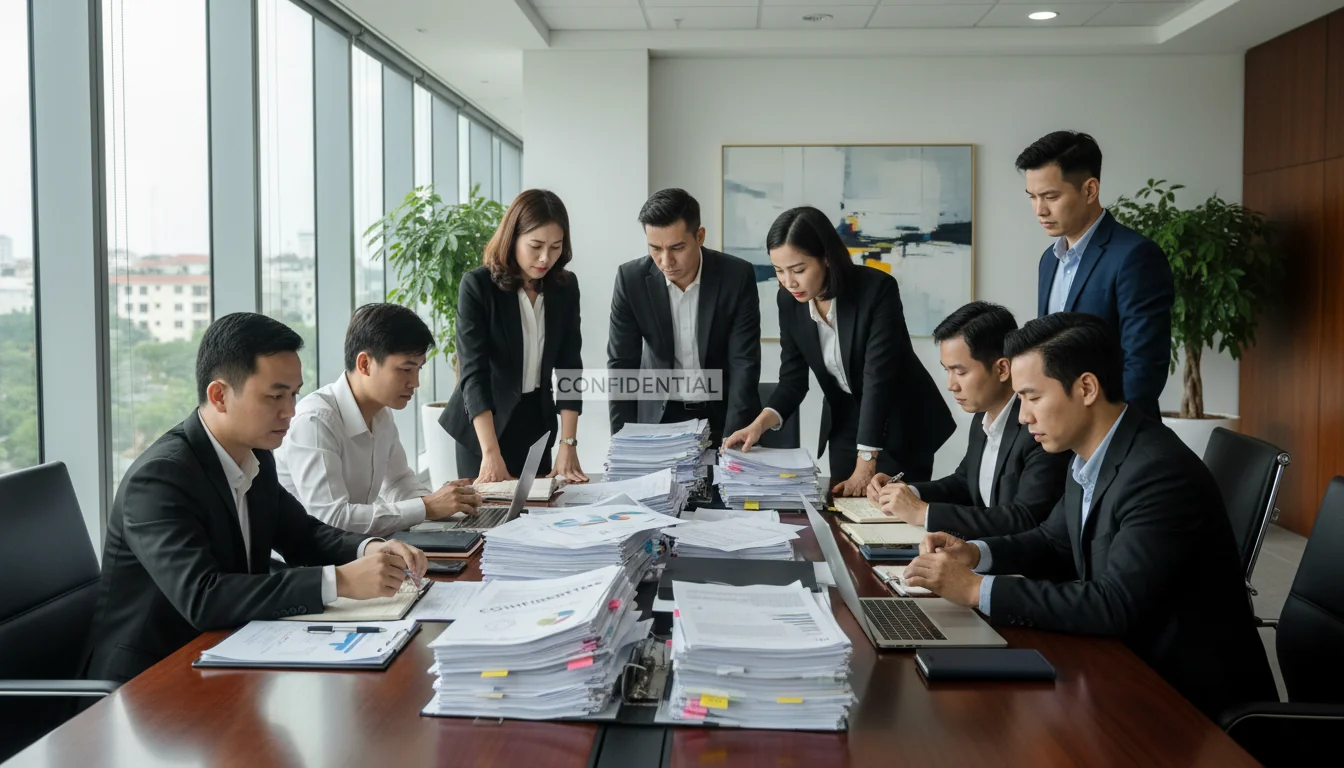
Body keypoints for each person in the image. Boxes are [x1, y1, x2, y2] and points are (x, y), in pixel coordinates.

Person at [902, 313, 1276, 718]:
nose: (1023, 416)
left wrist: (976, 590)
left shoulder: (1157, 472)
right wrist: (974, 554)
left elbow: (1115, 604)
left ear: (1086, 387)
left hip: (1187, 703)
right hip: (1125, 667)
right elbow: (1053, 540)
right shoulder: (1091, 455)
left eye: (1032, 397)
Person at [84, 313, 428, 683]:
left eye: (294, 394)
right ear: (219, 396)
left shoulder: (254, 454)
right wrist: (339, 581)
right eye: (275, 396)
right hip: (146, 682)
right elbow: (203, 597)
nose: (290, 411)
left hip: (229, 653)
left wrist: (370, 550)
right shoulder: (160, 477)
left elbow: (304, 535)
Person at [724, 206, 954, 495]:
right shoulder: (789, 300)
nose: (788, 282)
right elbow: (792, 381)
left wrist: (867, 461)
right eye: (779, 270)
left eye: (798, 270)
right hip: (846, 420)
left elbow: (877, 379)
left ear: (826, 258)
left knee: (890, 518)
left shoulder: (877, 290)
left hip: (900, 420)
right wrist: (757, 426)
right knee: (843, 511)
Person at [275, 303, 482, 537]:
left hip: (359, 549)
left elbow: (398, 481)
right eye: (405, 369)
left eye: (419, 369)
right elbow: (331, 518)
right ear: (364, 364)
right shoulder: (315, 421)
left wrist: (447, 506)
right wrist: (427, 507)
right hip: (313, 565)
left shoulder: (381, 414)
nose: (415, 382)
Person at [866, 301, 1069, 539]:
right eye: (947, 371)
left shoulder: (1038, 427)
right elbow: (964, 483)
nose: (951, 385)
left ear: (1003, 369)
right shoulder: (983, 415)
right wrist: (905, 492)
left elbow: (1025, 518)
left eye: (960, 372)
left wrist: (925, 513)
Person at [1018, 130, 1174, 420]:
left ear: (1090, 190)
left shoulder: (1135, 256)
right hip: (1058, 434)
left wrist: (1110, 437)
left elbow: (1144, 366)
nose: (1040, 210)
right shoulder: (1048, 261)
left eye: (1051, 196)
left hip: (1113, 436)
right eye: (1033, 197)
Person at [440, 189, 588, 484]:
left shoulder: (564, 287)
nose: (546, 257)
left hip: (536, 424)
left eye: (556, 247)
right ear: (513, 239)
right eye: (535, 246)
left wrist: (568, 444)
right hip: (483, 427)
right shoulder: (478, 286)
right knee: (486, 520)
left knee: (537, 516)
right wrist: (490, 452)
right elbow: (473, 373)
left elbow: (570, 365)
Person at [608, 188, 761, 444]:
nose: (666, 261)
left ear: (699, 236)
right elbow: (622, 364)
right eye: (655, 248)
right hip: (659, 417)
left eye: (677, 247)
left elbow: (744, 362)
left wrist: (734, 433)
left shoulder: (736, 276)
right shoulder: (631, 279)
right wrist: (623, 442)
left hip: (723, 415)